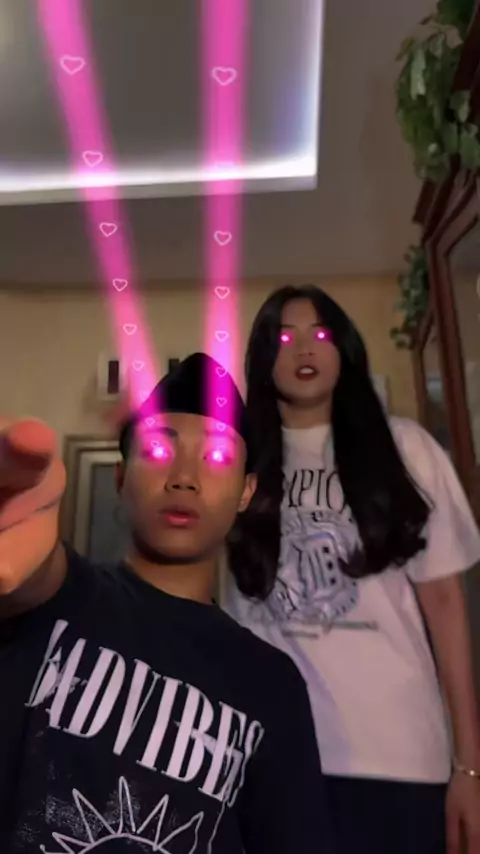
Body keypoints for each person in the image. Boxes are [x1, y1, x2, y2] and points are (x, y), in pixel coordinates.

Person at [0, 352, 333, 854]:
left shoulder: (272, 685)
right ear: (120, 475)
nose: (184, 477)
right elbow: (31, 578)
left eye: (217, 457)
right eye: (158, 449)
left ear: (246, 491)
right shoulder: (56, 596)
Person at [223, 285, 480, 854]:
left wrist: (470, 766)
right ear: (263, 358)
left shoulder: (405, 449)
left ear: (344, 348)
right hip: (268, 759)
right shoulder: (237, 462)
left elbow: (446, 606)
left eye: (320, 333)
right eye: (284, 337)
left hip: (399, 759)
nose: (303, 348)